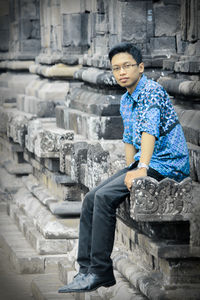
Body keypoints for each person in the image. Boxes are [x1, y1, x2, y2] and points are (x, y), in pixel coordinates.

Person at [58, 42, 190, 293]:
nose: (122, 72)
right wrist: (129, 167)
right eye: (116, 68)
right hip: (146, 161)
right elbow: (130, 139)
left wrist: (141, 168)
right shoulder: (127, 99)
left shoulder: (151, 91)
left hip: (167, 164)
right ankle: (85, 270)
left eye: (127, 66)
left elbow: (149, 132)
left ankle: (100, 271)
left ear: (140, 67)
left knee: (106, 197)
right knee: (92, 197)